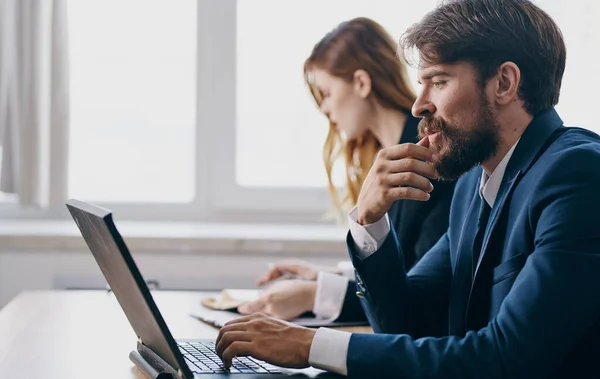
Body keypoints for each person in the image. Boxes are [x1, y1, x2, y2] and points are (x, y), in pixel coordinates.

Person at [214, 0, 600, 377]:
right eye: (421, 84)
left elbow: (505, 356)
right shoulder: (472, 187)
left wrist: (309, 346)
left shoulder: (577, 174)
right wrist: (369, 220)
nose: (419, 105)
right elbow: (405, 322)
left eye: (439, 81)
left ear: (504, 83)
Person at [237, 17, 456, 324]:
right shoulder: (391, 158)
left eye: (326, 93)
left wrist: (314, 294)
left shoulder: (431, 160)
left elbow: (416, 292)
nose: (324, 109)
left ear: (361, 83)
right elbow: (399, 271)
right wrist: (324, 277)